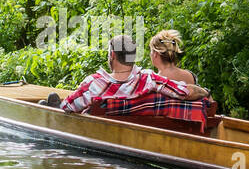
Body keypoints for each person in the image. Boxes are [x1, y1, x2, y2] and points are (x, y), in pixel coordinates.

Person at [58, 34, 208, 114]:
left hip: (104, 130)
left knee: (51, 103)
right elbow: (185, 91)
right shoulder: (149, 79)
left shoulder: (94, 84)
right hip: (137, 131)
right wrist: (206, 92)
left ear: (112, 56)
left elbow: (66, 107)